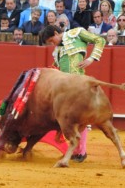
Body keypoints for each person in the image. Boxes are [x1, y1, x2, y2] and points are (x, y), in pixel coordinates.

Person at [41, 25, 106, 163]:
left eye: (52, 40)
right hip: (65, 90)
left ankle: (80, 152)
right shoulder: (57, 51)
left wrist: (91, 59)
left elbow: (100, 40)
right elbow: (56, 68)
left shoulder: (76, 33)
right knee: (67, 120)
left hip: (79, 86)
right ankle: (76, 151)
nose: (53, 44)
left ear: (56, 32)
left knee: (79, 119)